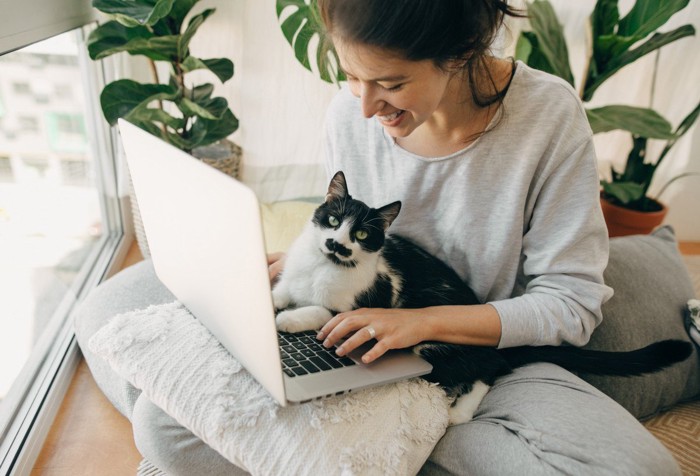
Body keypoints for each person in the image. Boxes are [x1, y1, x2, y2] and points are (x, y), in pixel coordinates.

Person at [131, 1, 681, 474]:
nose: (365, 107)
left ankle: (380, 449)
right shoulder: (351, 113)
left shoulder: (547, 117)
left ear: (462, 51)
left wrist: (420, 322)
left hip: (480, 347)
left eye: (391, 84)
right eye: (352, 76)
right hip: (364, 336)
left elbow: (571, 306)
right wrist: (302, 268)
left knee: (635, 469)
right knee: (162, 422)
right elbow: (347, 230)